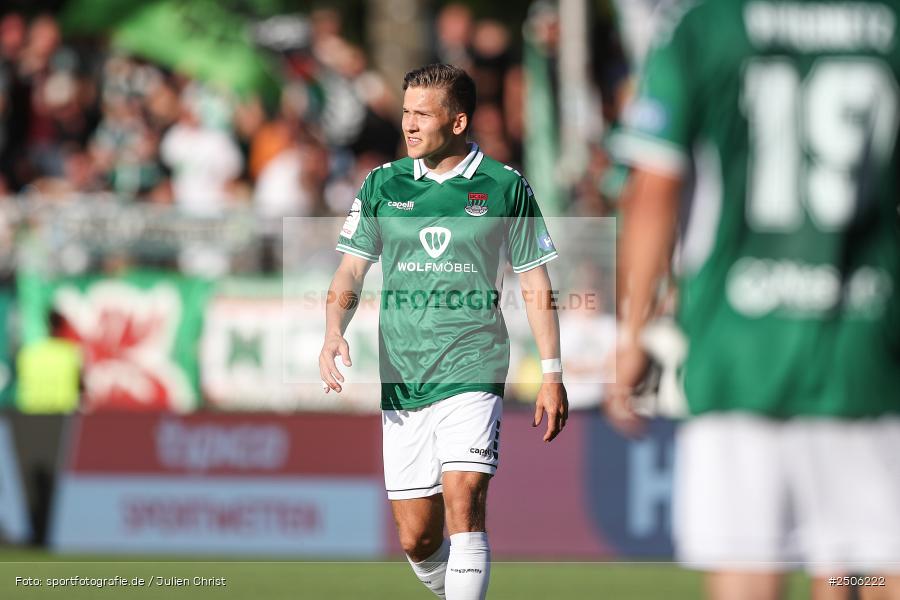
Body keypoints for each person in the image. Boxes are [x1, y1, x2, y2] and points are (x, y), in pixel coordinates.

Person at [606, 1, 900, 599]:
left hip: (737, 349)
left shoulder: (707, 26)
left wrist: (633, 334)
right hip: (867, 346)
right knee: (869, 562)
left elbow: (654, 190)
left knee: (749, 567)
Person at [319, 63, 568, 600]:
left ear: (457, 123)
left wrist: (552, 372)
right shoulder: (383, 184)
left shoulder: (504, 186)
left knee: (465, 498)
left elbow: (534, 282)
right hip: (403, 376)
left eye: (422, 115)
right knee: (416, 536)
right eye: (406, 112)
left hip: (474, 363)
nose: (408, 125)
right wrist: (333, 330)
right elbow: (350, 271)